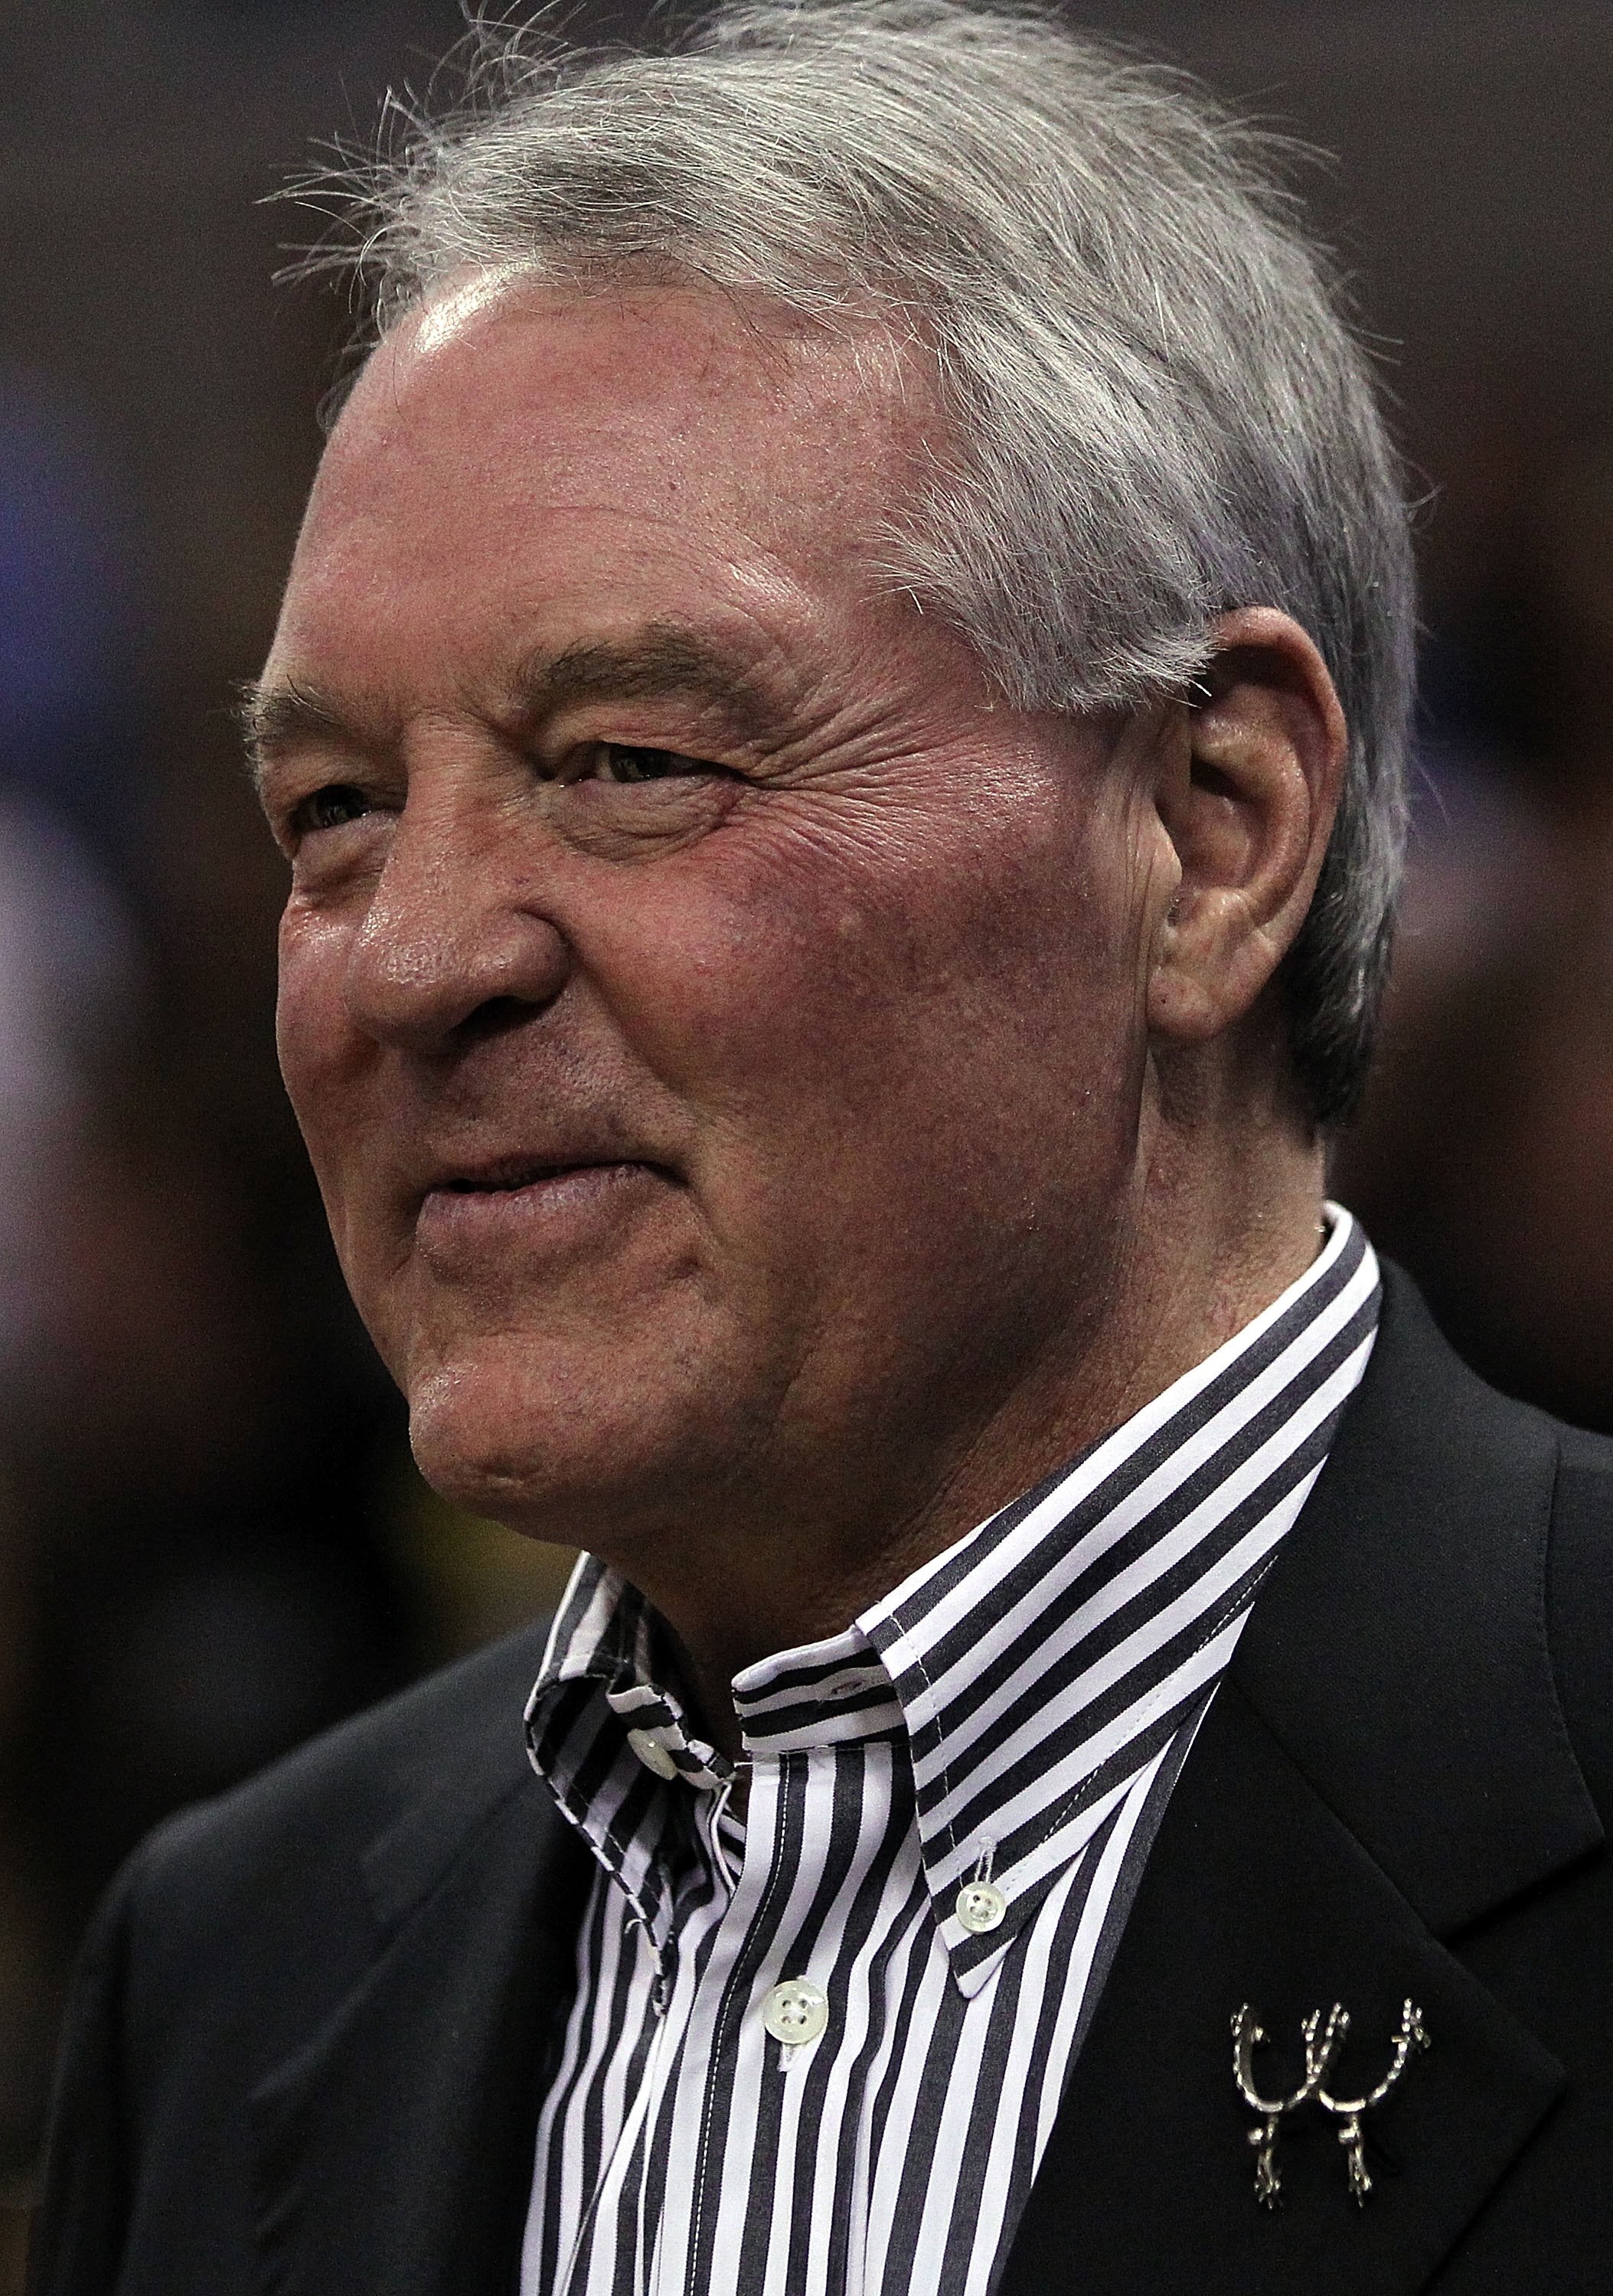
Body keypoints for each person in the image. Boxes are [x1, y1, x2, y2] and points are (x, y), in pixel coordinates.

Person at [28, 5, 1613, 2291]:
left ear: (1210, 830)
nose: (405, 965)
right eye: (334, 815)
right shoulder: (226, 1976)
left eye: (633, 759)